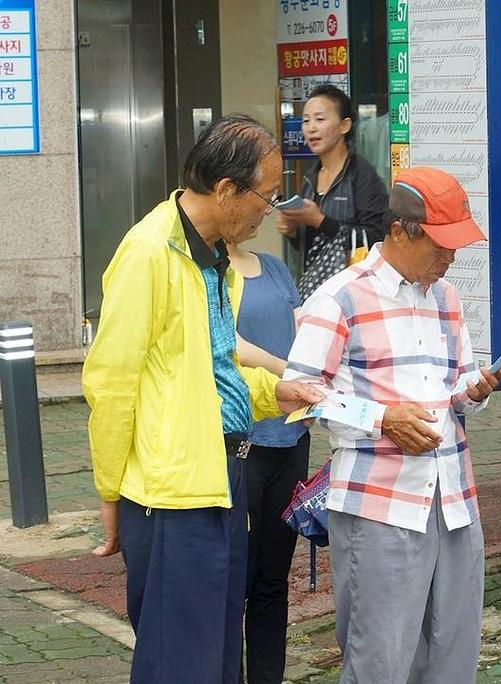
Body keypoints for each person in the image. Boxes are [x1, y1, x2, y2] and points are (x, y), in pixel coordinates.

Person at [83, 114, 324, 684]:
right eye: (265, 196)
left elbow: (213, 371)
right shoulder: (150, 253)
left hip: (223, 479)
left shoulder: (214, 258)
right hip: (172, 494)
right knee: (180, 662)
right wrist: (110, 491)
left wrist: (275, 392)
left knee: (217, 656)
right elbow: (111, 383)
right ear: (224, 190)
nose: (270, 210)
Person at [283, 167, 501, 682]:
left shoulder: (446, 298)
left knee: (453, 654)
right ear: (402, 230)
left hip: (454, 500)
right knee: (378, 661)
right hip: (378, 505)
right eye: (442, 244)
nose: (451, 257)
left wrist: (472, 393)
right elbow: (297, 394)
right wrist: (381, 419)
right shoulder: (340, 297)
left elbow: (454, 389)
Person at [227, 239, 310, 683]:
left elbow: (302, 331)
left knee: (273, 581)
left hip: (291, 438)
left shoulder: (275, 268)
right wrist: (290, 373)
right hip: (243, 443)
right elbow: (230, 345)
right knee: (234, 581)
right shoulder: (213, 272)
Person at [276, 85, 388, 299]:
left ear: (344, 125)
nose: (311, 128)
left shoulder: (361, 175)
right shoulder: (310, 179)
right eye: (306, 120)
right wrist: (292, 231)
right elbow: (314, 248)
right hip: (318, 293)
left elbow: (378, 238)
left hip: (357, 294)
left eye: (320, 119)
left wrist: (319, 220)